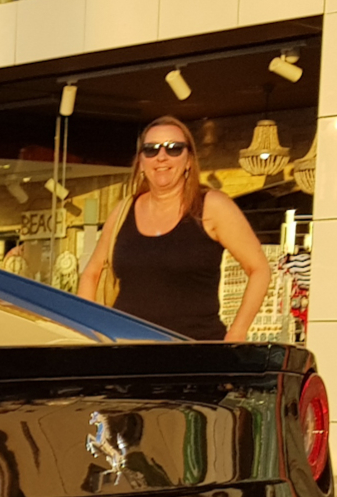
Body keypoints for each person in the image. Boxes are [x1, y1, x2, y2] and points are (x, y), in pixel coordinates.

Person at [77, 117, 274, 340]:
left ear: (189, 160)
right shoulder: (124, 210)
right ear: (141, 162)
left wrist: (237, 332)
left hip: (192, 356)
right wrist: (87, 333)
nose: (161, 157)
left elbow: (259, 269)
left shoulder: (212, 206)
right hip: (127, 352)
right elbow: (92, 274)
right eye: (150, 150)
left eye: (174, 148)